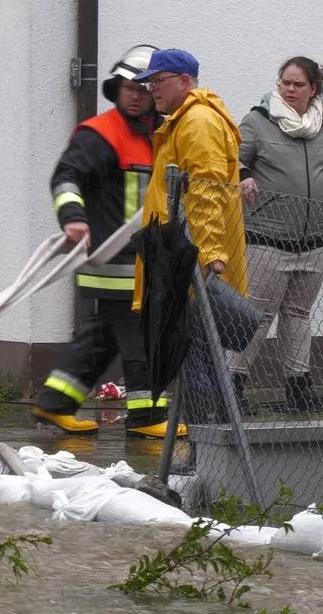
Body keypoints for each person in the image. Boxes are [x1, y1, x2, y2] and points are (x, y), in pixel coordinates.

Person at [34, 45, 179, 438]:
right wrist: (73, 219)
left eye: (142, 89)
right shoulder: (100, 134)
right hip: (116, 260)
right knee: (142, 335)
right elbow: (66, 179)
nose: (133, 95)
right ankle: (147, 418)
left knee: (102, 338)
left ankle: (56, 402)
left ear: (156, 91)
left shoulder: (165, 132)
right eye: (126, 87)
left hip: (147, 260)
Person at [132, 49, 248, 423]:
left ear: (185, 81)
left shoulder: (196, 121)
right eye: (149, 82)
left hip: (192, 263)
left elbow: (205, 191)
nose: (152, 90)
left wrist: (211, 252)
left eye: (158, 81)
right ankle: (213, 449)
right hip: (182, 257)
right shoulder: (182, 121)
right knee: (200, 354)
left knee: (194, 355)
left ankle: (204, 451)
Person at [230, 56, 323, 413]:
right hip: (267, 238)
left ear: (313, 89)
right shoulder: (258, 120)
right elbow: (232, 155)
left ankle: (298, 387)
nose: (290, 89)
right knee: (257, 315)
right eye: (285, 82)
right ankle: (234, 384)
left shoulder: (320, 124)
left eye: (298, 84)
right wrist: (242, 175)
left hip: (314, 240)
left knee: (298, 313)